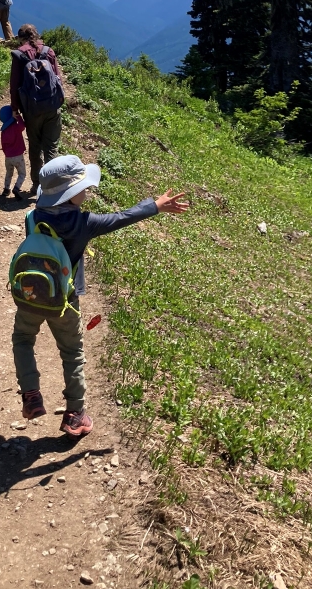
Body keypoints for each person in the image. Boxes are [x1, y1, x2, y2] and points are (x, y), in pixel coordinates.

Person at [11, 154, 190, 437]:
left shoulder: (32, 216)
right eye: (82, 188)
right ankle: (75, 415)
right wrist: (155, 206)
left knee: (22, 339)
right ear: (71, 195)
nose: (86, 191)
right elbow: (120, 218)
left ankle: (31, 394)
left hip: (30, 296)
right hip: (65, 301)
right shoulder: (84, 223)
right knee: (71, 352)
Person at [10, 24, 63, 194]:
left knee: (35, 146)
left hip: (32, 110)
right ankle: (52, 187)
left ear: (20, 38)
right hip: (52, 107)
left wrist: (15, 108)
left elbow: (15, 85)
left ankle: (37, 185)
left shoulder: (19, 55)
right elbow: (57, 78)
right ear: (36, 34)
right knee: (51, 147)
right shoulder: (48, 51)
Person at [0, 104, 27, 199]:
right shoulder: (15, 127)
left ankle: (6, 189)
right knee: (22, 173)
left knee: (9, 173)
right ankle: (16, 188)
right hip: (18, 156)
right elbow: (22, 126)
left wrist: (6, 153)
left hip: (8, 157)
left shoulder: (4, 131)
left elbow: (3, 145)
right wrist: (18, 116)